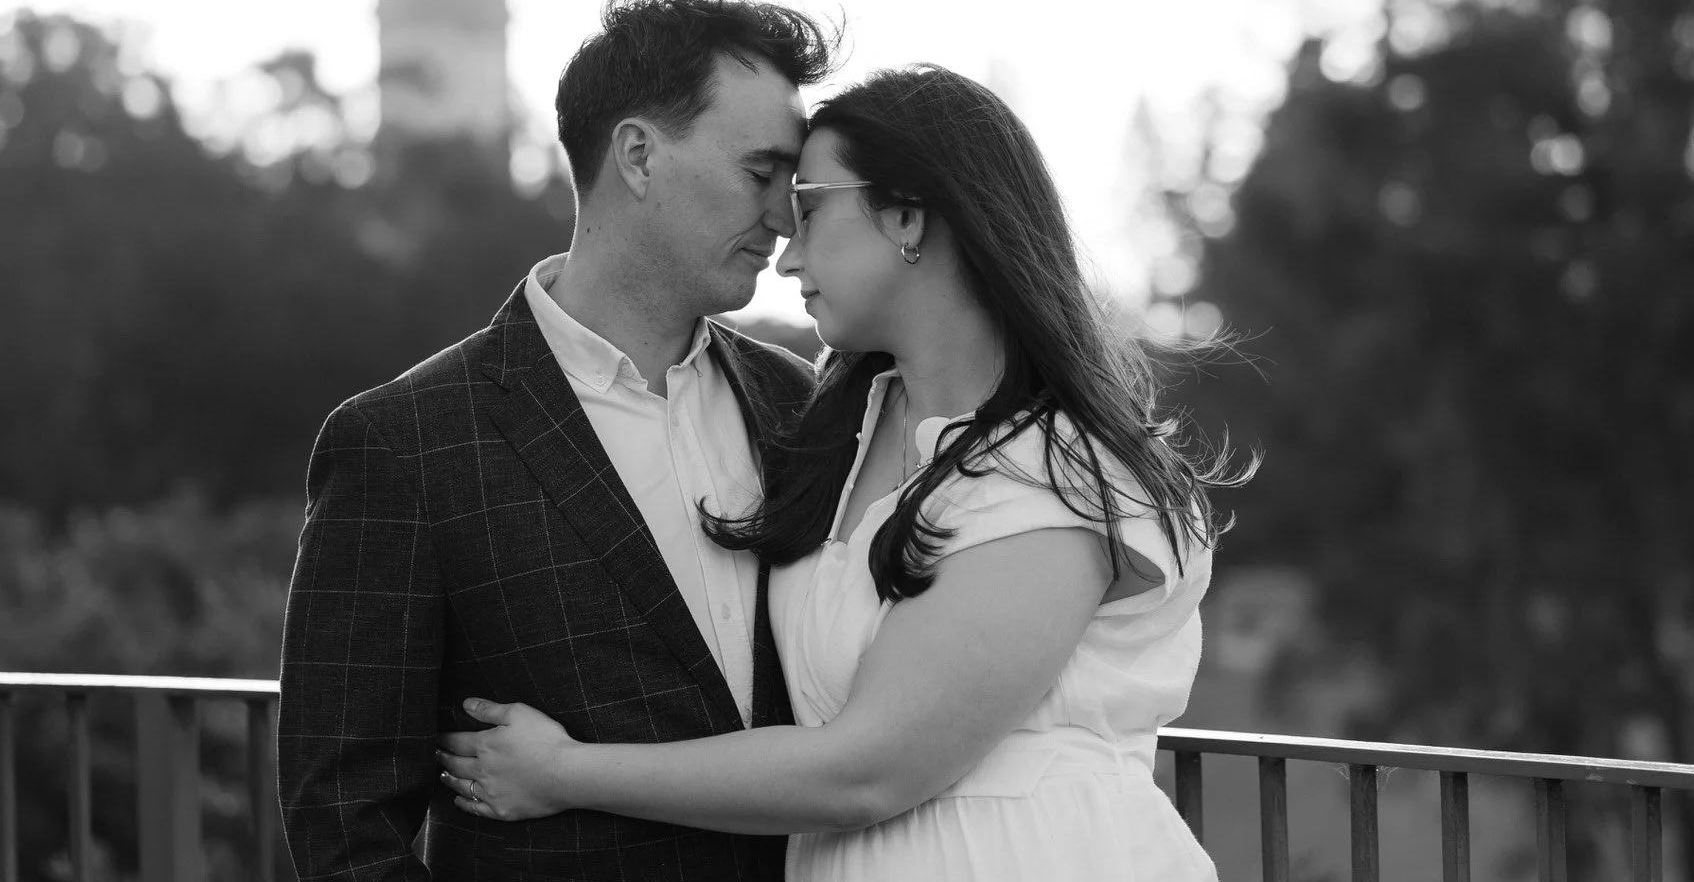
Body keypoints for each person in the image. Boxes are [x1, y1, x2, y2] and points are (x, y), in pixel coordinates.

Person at [435, 64, 1250, 880]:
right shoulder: (833, 433)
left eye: (810, 210)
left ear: (905, 216)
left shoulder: (1057, 469)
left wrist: (564, 772)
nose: (785, 259)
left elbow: (870, 769)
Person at [278, 0, 839, 881]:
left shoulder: (803, 404)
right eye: (761, 172)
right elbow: (343, 821)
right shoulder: (404, 445)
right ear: (639, 156)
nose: (784, 218)